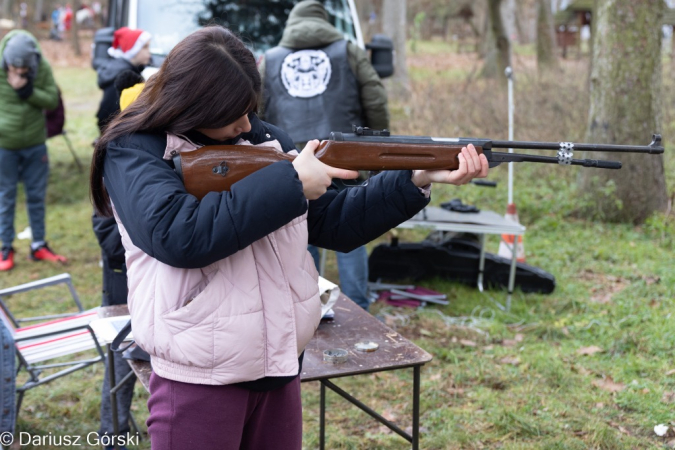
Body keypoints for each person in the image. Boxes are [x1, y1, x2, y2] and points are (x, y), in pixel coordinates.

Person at [89, 26, 488, 450]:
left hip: (280, 369)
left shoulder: (266, 140)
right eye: (234, 112)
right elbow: (177, 234)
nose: (247, 121)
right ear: (193, 105)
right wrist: (291, 181)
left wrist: (413, 177)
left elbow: (335, 222)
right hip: (200, 377)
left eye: (249, 106)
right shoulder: (134, 150)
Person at [260, 0, 390, 311]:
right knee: (352, 224)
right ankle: (359, 306)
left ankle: (309, 306)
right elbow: (375, 99)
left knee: (299, 230)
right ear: (325, 21)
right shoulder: (349, 51)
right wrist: (376, 148)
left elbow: (256, 112)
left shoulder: (269, 60)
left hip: (291, 157)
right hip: (345, 154)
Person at [0, 30, 65, 272]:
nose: (18, 74)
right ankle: (5, 247)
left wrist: (26, 90)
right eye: (14, 69)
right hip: (4, 144)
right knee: (6, 196)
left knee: (36, 196)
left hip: (35, 143)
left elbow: (51, 100)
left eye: (23, 70)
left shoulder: (41, 66)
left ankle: (39, 245)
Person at [95, 26, 151, 132]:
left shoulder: (133, 71)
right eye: (145, 47)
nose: (149, 52)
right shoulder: (122, 76)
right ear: (133, 50)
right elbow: (106, 114)